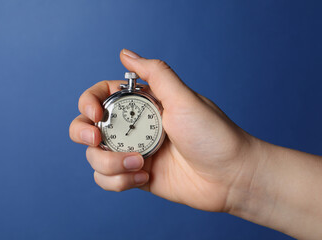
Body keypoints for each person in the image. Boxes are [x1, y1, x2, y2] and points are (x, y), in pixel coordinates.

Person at [69, 49, 322, 239]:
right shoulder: (119, 110)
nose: (132, 124)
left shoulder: (154, 109)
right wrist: (242, 176)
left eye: (139, 120)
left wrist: (240, 175)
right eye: (129, 122)